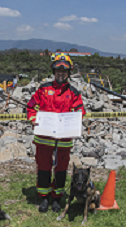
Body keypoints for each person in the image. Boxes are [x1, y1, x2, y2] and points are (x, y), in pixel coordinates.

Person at [27, 53, 86, 213]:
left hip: (64, 140)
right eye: (58, 71)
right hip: (44, 138)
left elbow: (81, 110)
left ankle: (57, 198)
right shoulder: (43, 89)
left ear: (68, 73)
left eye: (64, 72)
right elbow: (31, 107)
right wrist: (33, 119)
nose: (61, 74)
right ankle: (44, 198)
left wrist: (76, 116)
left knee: (61, 170)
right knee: (43, 169)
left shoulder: (73, 92)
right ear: (53, 72)